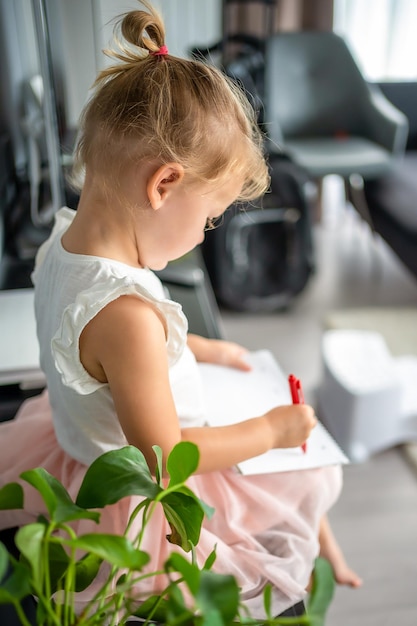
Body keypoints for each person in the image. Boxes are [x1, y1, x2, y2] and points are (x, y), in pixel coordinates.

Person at [0, 1, 362, 620]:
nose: (205, 234)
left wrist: (203, 348)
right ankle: (315, 554)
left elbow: (105, 359)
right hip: (140, 490)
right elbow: (166, 459)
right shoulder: (127, 315)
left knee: (300, 476)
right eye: (208, 217)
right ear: (163, 185)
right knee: (300, 471)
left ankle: (324, 548)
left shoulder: (64, 241)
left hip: (69, 436)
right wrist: (270, 432)